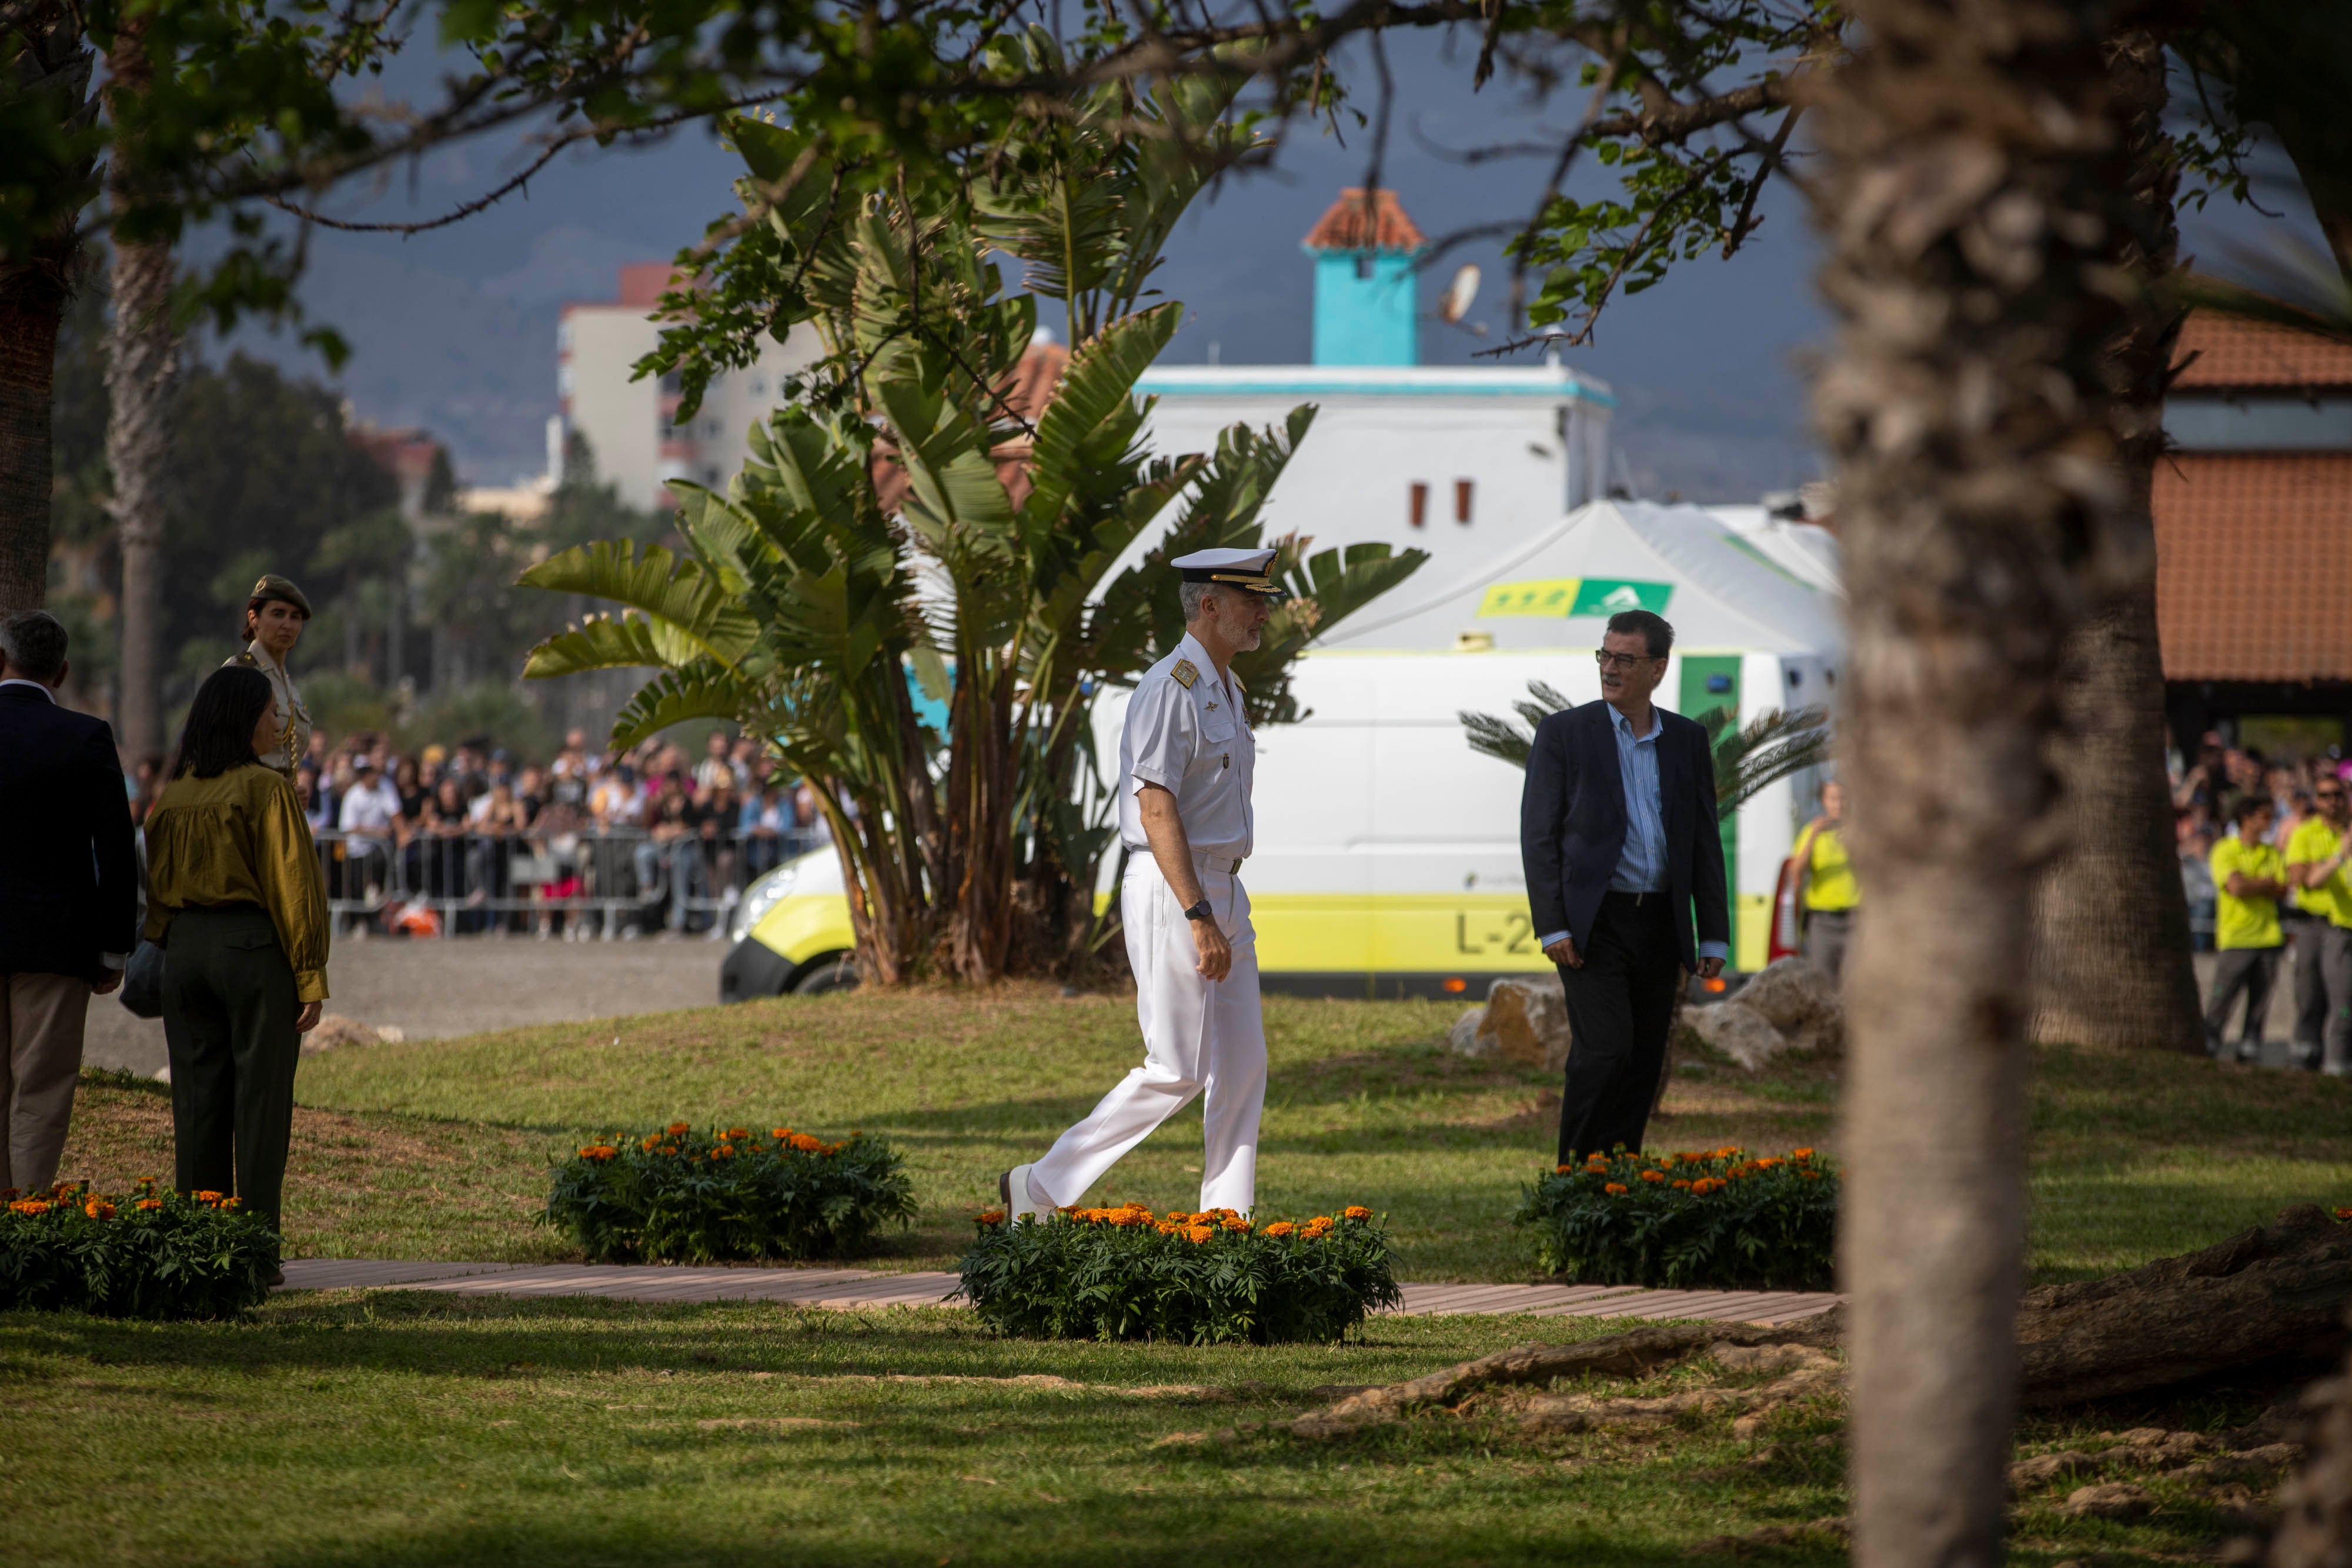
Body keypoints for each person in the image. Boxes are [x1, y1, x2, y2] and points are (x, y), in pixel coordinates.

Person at [1000, 548, 1283, 1219]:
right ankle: (1040, 1186)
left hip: (1223, 888)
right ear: (1208, 606)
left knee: (1244, 1068)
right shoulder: (1171, 686)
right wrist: (1197, 913)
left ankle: (1224, 1219)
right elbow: (1155, 806)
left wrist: (1217, 906)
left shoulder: (1226, 687)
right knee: (1176, 1068)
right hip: (1175, 888)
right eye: (1249, 600)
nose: (1262, 613)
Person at [1521, 609, 1730, 1164]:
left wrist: (1713, 935)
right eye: (1605, 656)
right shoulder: (1565, 734)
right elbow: (1537, 836)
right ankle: (1575, 1178)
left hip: (1661, 923)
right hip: (1594, 924)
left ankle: (1621, 1177)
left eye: (1625, 659)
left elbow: (1705, 842)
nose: (1610, 669)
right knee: (1604, 1051)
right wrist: (1553, 924)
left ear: (1658, 669)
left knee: (1641, 1057)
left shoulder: (1686, 739)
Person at [142, 665, 329, 1266]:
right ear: (245, 722)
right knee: (261, 1102)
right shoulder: (265, 789)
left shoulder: (173, 795)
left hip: (184, 953)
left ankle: (200, 1246)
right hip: (251, 951)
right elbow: (293, 887)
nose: (279, 722)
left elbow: (157, 889)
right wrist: (309, 975)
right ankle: (253, 1250)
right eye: (270, 712)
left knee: (196, 1101)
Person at [0, 611, 139, 1196]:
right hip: (56, 940)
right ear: (62, 671)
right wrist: (113, 948)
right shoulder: (86, 736)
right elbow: (115, 848)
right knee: (41, 1087)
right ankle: (25, 1226)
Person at [2206, 794, 2288, 1062]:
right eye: (2265, 816)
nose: (2270, 822)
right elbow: (2236, 888)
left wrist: (2252, 885)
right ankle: (2209, 1044)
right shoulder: (2224, 850)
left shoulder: (2271, 852)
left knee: (2259, 1005)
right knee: (2223, 999)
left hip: (2269, 938)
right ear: (2246, 819)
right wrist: (2263, 884)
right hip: (2236, 938)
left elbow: (2282, 889)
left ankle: (2249, 1052)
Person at [2286, 774, 2352, 1074]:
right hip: (2313, 924)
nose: (2332, 801)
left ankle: (2338, 1064)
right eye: (2325, 795)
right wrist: (2338, 856)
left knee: (2342, 997)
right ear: (2316, 800)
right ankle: (2305, 1061)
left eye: (2338, 794)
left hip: (2342, 925)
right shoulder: (2305, 833)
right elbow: (2304, 879)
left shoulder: (2348, 831)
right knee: (2310, 995)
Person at [223, 575, 313, 777]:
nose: (287, 625)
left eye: (295, 617)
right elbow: (223, 752)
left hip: (280, 801)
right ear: (253, 618)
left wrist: (290, 792)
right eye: (278, 614)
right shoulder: (241, 673)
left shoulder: (288, 685)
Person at [1791, 778, 1859, 985]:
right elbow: (1796, 870)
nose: (1839, 804)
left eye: (1843, 799)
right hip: (1823, 922)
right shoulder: (1813, 833)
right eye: (1833, 799)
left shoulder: (1859, 833)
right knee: (1824, 984)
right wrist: (1813, 835)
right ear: (1824, 802)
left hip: (1856, 920)